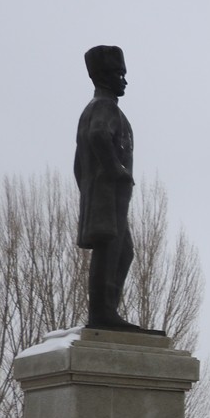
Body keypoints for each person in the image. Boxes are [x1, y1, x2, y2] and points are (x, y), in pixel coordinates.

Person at [75, 45, 140, 330]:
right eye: (119, 74)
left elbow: (78, 163)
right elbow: (99, 135)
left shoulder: (98, 108)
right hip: (108, 193)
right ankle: (103, 313)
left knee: (122, 251)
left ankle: (107, 310)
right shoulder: (104, 107)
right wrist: (116, 171)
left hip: (105, 193)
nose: (124, 80)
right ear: (103, 76)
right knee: (111, 247)